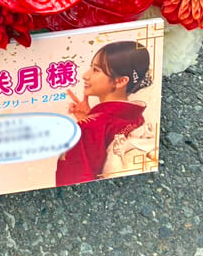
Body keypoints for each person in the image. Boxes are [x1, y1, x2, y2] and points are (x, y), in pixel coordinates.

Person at [55, 41, 152, 187]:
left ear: (120, 81)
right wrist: (90, 118)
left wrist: (85, 127)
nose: (85, 76)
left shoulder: (91, 126)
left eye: (96, 70)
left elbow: (73, 180)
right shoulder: (135, 114)